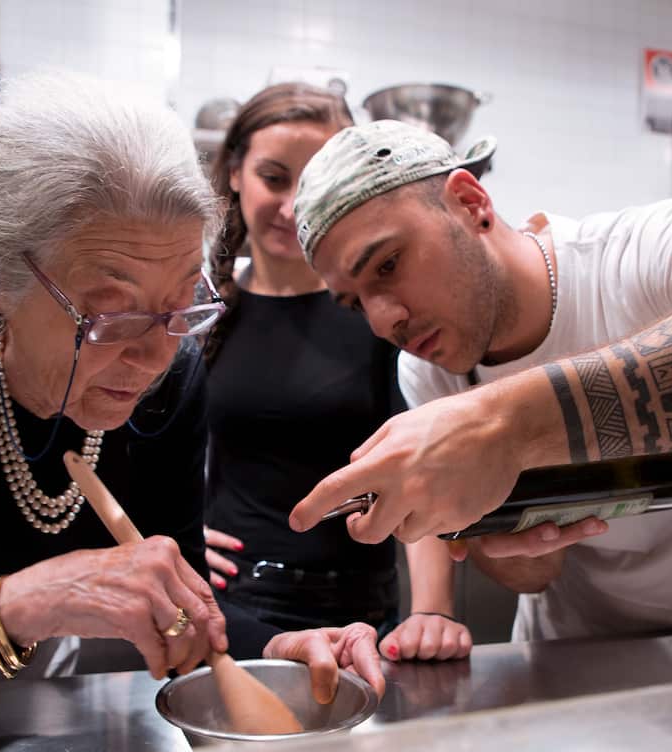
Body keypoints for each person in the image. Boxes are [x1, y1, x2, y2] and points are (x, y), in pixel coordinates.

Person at [0, 72, 383, 746]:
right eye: (111, 317)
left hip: (49, 751)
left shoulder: (171, 377)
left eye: (178, 308)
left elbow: (185, 609)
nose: (153, 357)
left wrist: (276, 645)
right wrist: (21, 604)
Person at [285, 120, 672, 640]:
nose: (381, 318)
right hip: (565, 668)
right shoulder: (430, 370)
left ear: (471, 203)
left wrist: (507, 428)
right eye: (354, 302)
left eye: (389, 264)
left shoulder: (647, 253)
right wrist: (521, 545)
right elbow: (531, 578)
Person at [202, 83, 471, 662]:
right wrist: (170, 536)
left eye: (312, 183)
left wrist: (432, 611)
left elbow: (420, 465)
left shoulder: (381, 311)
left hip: (363, 623)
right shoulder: (203, 310)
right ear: (234, 173)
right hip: (235, 616)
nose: (293, 207)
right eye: (274, 178)